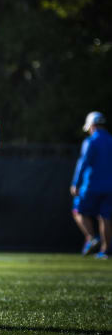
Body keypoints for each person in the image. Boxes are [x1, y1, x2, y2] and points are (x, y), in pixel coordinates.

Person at [70, 111, 112, 260]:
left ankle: (92, 238)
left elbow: (83, 162)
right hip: (110, 187)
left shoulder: (91, 141)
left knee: (77, 210)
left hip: (91, 185)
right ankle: (105, 251)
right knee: (105, 217)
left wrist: (76, 183)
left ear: (92, 125)